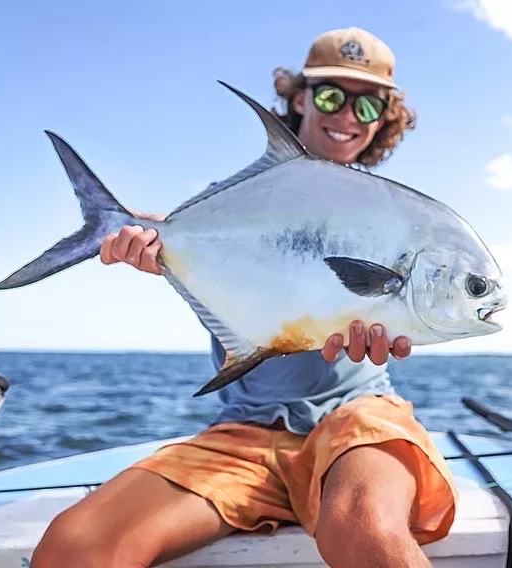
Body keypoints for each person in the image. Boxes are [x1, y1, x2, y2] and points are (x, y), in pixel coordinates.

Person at [30, 26, 458, 568]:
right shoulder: (233, 203)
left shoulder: (392, 220)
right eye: (331, 96)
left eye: (368, 104)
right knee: (76, 548)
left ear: (384, 119)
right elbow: (187, 231)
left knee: (367, 530)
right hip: (244, 431)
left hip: (357, 419)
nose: (348, 116)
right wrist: (132, 236)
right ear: (299, 97)